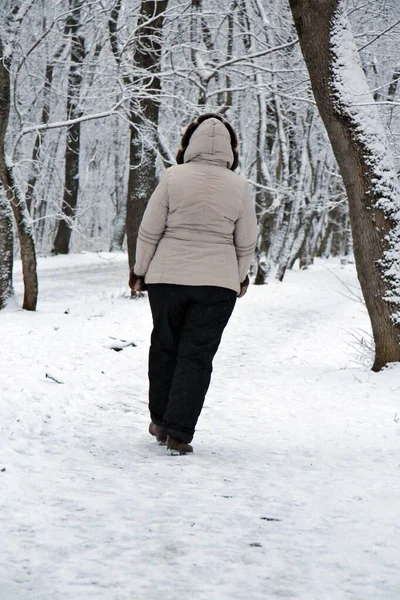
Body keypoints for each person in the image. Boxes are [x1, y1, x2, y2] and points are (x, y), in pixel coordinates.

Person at [129, 113, 257, 454]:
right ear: (231, 149)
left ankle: (159, 420)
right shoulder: (238, 186)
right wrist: (240, 277)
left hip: (167, 280)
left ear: (189, 144)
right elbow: (245, 242)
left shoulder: (172, 178)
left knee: (165, 346)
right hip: (217, 286)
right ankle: (179, 433)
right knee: (197, 356)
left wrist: (139, 271)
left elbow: (149, 230)